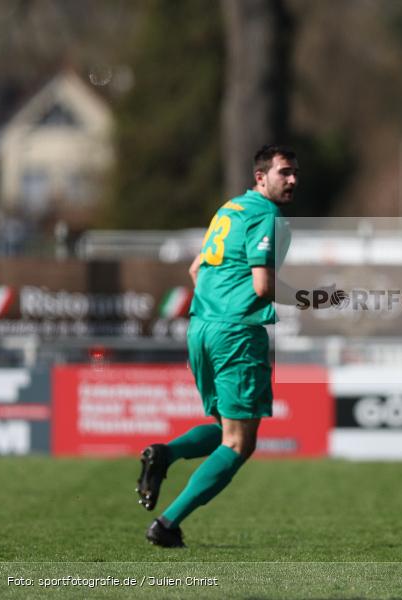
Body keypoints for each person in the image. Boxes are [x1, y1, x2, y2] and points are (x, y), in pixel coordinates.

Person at [136, 144, 341, 547]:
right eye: (284, 172)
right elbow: (263, 287)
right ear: (261, 177)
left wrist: (218, 307)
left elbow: (196, 269)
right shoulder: (267, 215)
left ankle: (164, 453)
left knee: (224, 429)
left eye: (296, 173)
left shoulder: (230, 209)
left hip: (201, 329)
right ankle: (167, 524)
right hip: (236, 334)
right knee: (239, 443)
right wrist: (314, 298)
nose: (293, 180)